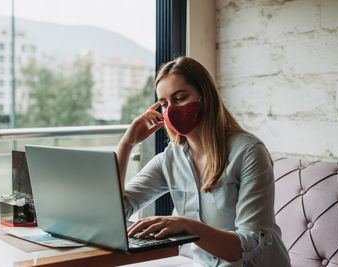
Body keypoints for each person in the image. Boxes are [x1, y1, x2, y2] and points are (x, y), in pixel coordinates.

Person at [116, 57, 291, 266]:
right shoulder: (170, 159)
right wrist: (126, 144)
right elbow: (116, 211)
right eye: (163, 104)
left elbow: (250, 243)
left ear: (205, 96)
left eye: (179, 98)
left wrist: (188, 226)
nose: (170, 110)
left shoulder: (248, 152)